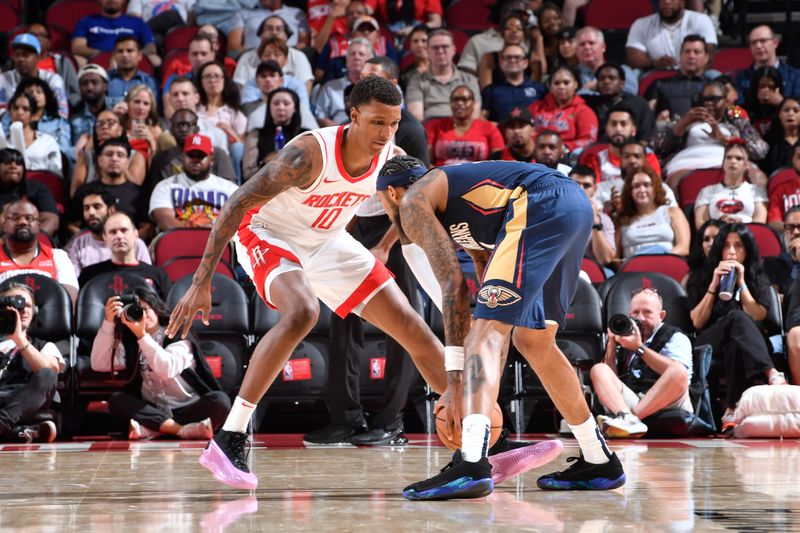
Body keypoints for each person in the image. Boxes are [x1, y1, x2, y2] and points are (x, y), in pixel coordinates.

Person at [166, 77, 546, 491]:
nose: (385, 135)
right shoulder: (309, 153)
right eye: (377, 123)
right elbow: (238, 202)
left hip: (327, 241)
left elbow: (414, 244)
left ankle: (490, 436)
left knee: (415, 329)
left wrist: (449, 305)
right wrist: (202, 279)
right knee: (303, 311)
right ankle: (231, 437)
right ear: (354, 116)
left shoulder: (393, 160)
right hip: (268, 232)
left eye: (394, 124)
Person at [376, 156, 625, 500]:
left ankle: (473, 463)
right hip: (573, 207)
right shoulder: (456, 204)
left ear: (390, 192)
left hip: (539, 202)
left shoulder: (413, 202)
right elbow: (483, 269)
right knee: (534, 340)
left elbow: (453, 287)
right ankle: (599, 460)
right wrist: (489, 340)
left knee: (485, 329)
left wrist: (454, 381)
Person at [91, 285, 231, 440]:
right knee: (117, 400)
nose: (141, 314)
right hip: (152, 409)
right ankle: (180, 429)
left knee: (220, 401)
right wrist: (108, 322)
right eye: (135, 310)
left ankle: (155, 429)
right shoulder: (129, 340)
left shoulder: (177, 332)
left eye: (145, 308)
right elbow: (99, 363)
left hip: (187, 406)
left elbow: (166, 370)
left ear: (156, 308)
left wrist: (142, 335)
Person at [687, 223, 787, 431]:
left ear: (747, 249)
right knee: (736, 318)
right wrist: (714, 285)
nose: (732, 251)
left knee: (736, 339)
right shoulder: (700, 276)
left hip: (748, 341)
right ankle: (771, 373)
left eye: (739, 246)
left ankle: (731, 411)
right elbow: (697, 321)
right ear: (719, 249)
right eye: (726, 246)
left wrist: (741, 283)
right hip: (710, 339)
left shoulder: (757, 277)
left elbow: (758, 315)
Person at [592, 287, 693, 439]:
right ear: (629, 314)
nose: (641, 318)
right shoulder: (625, 336)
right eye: (636, 312)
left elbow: (679, 377)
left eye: (647, 312)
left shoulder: (676, 337)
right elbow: (611, 381)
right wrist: (612, 347)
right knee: (599, 369)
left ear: (661, 315)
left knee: (677, 370)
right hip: (634, 400)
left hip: (667, 400)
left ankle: (630, 420)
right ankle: (628, 419)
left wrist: (639, 348)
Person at [653, 80, 768, 190]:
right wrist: (684, 123)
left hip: (729, 161)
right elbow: (656, 146)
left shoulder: (735, 119)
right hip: (689, 162)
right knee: (674, 181)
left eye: (714, 99)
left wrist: (725, 139)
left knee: (759, 177)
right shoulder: (685, 118)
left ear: (726, 101)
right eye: (704, 99)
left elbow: (760, 150)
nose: (708, 103)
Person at [0, 283, 64, 443]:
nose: (22, 309)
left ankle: (3, 423)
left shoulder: (45, 345)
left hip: (22, 402)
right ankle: (21, 432)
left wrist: (19, 339)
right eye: (15, 303)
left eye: (27, 305)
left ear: (35, 311)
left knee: (47, 374)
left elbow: (49, 371)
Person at [150, 134, 240, 231]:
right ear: (183, 157)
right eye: (191, 156)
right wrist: (194, 236)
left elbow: (240, 219)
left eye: (200, 156)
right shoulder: (165, 186)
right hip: (179, 242)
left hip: (219, 242)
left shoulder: (230, 188)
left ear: (212, 160)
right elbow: (164, 217)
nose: (195, 160)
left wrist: (214, 236)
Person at [0, 198, 79, 303]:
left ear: (38, 225)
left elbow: (69, 302)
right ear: (4, 225)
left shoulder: (58, 257)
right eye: (15, 218)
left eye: (29, 218)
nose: (23, 222)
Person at [68, 138, 151, 237]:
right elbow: (71, 225)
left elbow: (147, 228)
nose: (114, 159)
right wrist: (94, 240)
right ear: (99, 161)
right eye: (109, 154)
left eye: (120, 155)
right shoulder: (84, 191)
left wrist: (126, 239)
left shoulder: (139, 193)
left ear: (127, 162)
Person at [79, 212, 171, 298]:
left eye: (124, 230)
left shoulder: (158, 275)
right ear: (105, 238)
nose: (119, 236)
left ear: (136, 234)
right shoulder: (89, 275)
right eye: (112, 232)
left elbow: (169, 311)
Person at [65, 186, 151, 277]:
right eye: (86, 208)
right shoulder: (78, 243)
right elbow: (73, 282)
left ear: (111, 210)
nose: (91, 212)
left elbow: (147, 278)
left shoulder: (135, 243)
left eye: (97, 207)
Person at [614, 166, 691, 259]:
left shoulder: (673, 212)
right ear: (629, 191)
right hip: (634, 268)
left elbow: (683, 248)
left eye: (646, 185)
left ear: (655, 188)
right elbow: (615, 257)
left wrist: (658, 256)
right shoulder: (622, 219)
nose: (642, 190)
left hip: (666, 264)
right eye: (636, 186)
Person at [406, 29, 482, 122]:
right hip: (430, 132)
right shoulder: (416, 80)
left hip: (463, 131)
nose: (440, 51)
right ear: (428, 51)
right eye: (435, 47)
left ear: (453, 50)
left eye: (445, 46)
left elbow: (474, 115)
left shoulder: (470, 80)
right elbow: (416, 118)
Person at [150, 109, 237, 187]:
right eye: (178, 125)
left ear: (197, 129)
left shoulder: (217, 153)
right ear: (171, 130)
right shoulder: (161, 159)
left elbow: (229, 187)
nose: (183, 129)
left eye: (188, 125)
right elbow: (154, 190)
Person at [70, 110, 147, 197]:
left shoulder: (135, 156)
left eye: (111, 123)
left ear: (120, 130)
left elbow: (136, 189)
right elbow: (75, 193)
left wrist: (120, 165)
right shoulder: (86, 157)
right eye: (100, 124)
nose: (105, 127)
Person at [234, 15, 314, 96]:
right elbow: (239, 89)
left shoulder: (298, 57)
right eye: (269, 29)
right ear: (260, 34)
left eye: (279, 29)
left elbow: (305, 89)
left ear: (286, 35)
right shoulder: (246, 58)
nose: (274, 32)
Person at [625, 0, 717, 71]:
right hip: (654, 71)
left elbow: (708, 58)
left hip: (694, 72)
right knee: (633, 73)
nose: (667, 2)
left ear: (682, 2)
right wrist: (654, 63)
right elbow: (633, 59)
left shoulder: (701, 20)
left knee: (715, 76)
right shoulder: (641, 24)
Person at [694, 141, 768, 228]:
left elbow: (760, 223)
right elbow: (701, 225)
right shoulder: (707, 191)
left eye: (739, 158)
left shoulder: (757, 191)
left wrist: (742, 225)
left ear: (747, 165)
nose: (733, 161)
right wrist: (718, 224)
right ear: (723, 162)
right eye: (728, 157)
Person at [582, 104, 661, 184]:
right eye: (613, 124)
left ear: (633, 130)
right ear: (606, 129)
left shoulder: (648, 157)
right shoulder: (595, 158)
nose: (618, 129)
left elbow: (655, 189)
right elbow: (591, 193)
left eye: (623, 124)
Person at [426, 85, 504, 167]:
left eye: (465, 99)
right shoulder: (434, 126)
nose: (459, 103)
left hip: (478, 177)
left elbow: (498, 164)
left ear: (473, 103)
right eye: (455, 99)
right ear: (450, 103)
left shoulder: (489, 128)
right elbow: (425, 162)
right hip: (442, 176)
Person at [528, 66, 598, 154]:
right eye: (556, 83)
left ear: (575, 84)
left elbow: (589, 140)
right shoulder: (536, 107)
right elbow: (525, 132)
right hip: (536, 154)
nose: (561, 87)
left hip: (568, 156)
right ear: (550, 86)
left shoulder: (584, 111)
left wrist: (565, 147)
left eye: (566, 83)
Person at [71, 0, 161, 68]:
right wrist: (101, 54)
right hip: (97, 62)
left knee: (155, 60)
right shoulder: (87, 21)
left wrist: (131, 55)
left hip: (130, 61)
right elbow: (77, 47)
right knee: (74, 60)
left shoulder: (137, 22)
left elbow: (151, 48)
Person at [0, 34, 69, 119]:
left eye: (25, 55)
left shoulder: (53, 79)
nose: (20, 59)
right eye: (17, 55)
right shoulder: (4, 79)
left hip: (47, 129)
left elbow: (62, 113)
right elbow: (1, 113)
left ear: (37, 57)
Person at [243, 88, 307, 178]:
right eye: (276, 103)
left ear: (295, 108)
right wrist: (266, 163)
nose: (281, 107)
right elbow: (248, 174)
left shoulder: (305, 135)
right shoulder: (255, 135)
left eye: (286, 103)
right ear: (269, 107)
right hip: (264, 186)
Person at [645, 35, 711, 121]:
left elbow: (731, 114)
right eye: (687, 51)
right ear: (680, 55)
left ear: (706, 58)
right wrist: (657, 122)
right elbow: (646, 120)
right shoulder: (659, 84)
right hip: (669, 131)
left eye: (696, 52)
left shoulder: (715, 86)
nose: (691, 56)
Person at [2, 79, 71, 159]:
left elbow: (63, 149)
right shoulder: (9, 118)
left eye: (39, 92)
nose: (35, 95)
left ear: (46, 96)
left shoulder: (59, 122)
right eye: (30, 92)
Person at [584, 64, 654, 141]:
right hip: (596, 148)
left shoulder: (638, 103)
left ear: (622, 83)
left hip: (631, 148)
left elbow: (646, 134)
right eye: (602, 79)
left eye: (612, 78)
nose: (606, 81)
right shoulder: (588, 103)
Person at [313, 38, 374, 127]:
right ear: (346, 60)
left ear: (370, 60)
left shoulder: (376, 88)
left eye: (361, 54)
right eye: (352, 54)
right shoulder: (330, 87)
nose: (356, 57)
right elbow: (320, 116)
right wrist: (340, 130)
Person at [0, 149, 60, 238]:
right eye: (7, 162)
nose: (13, 166)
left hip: (35, 243)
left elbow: (52, 221)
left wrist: (30, 242)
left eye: (18, 163)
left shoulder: (36, 187)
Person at [734, 25, 800, 106]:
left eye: (763, 41)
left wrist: (781, 103)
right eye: (753, 43)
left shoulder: (795, 76)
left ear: (775, 43)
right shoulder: (742, 78)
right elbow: (738, 109)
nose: (758, 46)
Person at [480, 43, 546, 123]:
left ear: (525, 63)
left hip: (534, 134)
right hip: (499, 134)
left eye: (517, 57)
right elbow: (482, 120)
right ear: (501, 63)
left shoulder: (540, 89)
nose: (513, 60)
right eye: (508, 57)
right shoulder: (490, 90)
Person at [5, 93, 62, 178]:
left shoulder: (47, 142)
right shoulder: (4, 143)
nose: (20, 112)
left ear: (33, 115)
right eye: (16, 108)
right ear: (10, 113)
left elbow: (56, 176)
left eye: (25, 109)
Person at [569, 165, 615, 268]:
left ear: (595, 189)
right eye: (575, 184)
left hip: (592, 274)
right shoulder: (553, 215)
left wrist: (595, 221)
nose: (580, 189)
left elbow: (605, 259)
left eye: (586, 186)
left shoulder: (604, 220)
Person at [27, 23, 80, 109]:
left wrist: (62, 103)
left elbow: (75, 94)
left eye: (42, 35)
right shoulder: (17, 63)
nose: (37, 38)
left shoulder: (63, 63)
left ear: (49, 42)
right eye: (32, 35)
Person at [227, 0, 310, 53]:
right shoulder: (242, 14)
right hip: (252, 61)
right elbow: (233, 47)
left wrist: (282, 54)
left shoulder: (297, 14)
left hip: (290, 60)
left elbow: (304, 44)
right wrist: (260, 54)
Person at [575, 27, 637, 96]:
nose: (587, 47)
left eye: (591, 43)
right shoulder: (570, 75)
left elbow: (630, 92)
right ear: (576, 50)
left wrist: (596, 85)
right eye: (582, 44)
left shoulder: (623, 70)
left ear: (603, 47)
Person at [106, 35, 159, 107]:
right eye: (120, 51)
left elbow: (153, 110)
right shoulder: (105, 80)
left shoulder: (149, 82)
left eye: (129, 51)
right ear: (114, 55)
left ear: (139, 55)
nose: (124, 55)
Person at [70, 64, 112, 153]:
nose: (89, 87)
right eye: (84, 83)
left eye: (94, 82)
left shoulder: (117, 109)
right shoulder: (75, 118)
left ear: (105, 86)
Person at [116, 84, 162, 163]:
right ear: (127, 103)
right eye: (137, 102)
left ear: (151, 108)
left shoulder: (156, 130)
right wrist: (113, 115)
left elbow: (160, 165)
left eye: (146, 104)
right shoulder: (117, 128)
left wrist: (151, 141)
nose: (141, 107)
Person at [764, 206, 800, 295]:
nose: (796, 232)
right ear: (784, 230)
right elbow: (774, 300)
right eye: (790, 227)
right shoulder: (772, 264)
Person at [761, 97, 800, 176]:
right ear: (779, 115)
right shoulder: (769, 141)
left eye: (796, 111)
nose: (791, 114)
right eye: (786, 110)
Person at [767, 144, 800, 231]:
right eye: (799, 157)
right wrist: (794, 228)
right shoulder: (781, 189)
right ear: (793, 160)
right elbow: (773, 222)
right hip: (790, 239)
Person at [745, 67, 784, 138]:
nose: (766, 91)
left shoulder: (784, 108)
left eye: (771, 87)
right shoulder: (746, 109)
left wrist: (781, 104)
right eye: (762, 86)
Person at [400, 24, 430, 90]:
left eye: (424, 40)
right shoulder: (405, 76)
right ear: (410, 45)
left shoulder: (443, 69)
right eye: (415, 41)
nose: (420, 45)